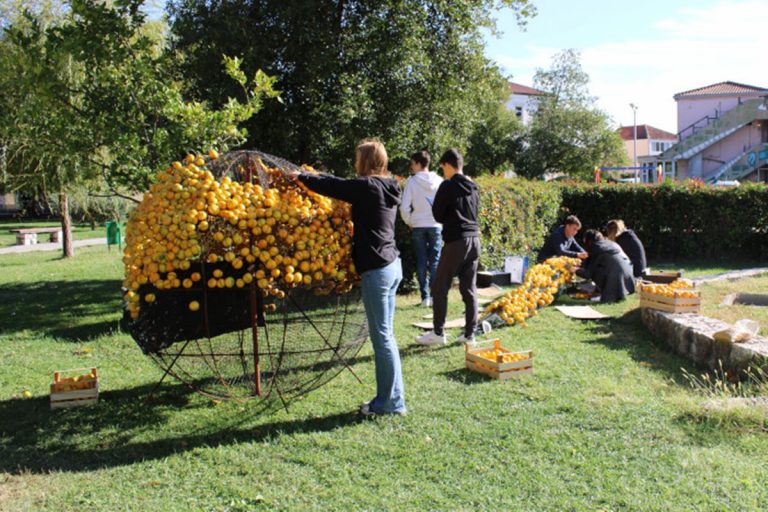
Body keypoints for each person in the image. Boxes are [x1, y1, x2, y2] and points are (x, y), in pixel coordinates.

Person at [293, 139, 406, 416]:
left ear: (365, 161)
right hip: (392, 265)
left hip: (378, 269)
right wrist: (312, 176)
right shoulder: (387, 186)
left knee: (382, 338)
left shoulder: (367, 187)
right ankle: (392, 399)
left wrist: (303, 178)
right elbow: (340, 182)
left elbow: (336, 186)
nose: (355, 163)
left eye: (358, 158)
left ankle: (389, 404)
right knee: (387, 336)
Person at [416, 149, 488, 346]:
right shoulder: (473, 187)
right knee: (469, 289)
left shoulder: (447, 186)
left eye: (442, 167)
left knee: (439, 286)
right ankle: (469, 334)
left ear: (448, 165)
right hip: (474, 240)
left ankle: (438, 333)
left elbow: (438, 215)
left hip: (457, 241)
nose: (442, 171)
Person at [399, 150, 443, 307]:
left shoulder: (412, 182)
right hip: (436, 225)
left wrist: (409, 221)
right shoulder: (439, 180)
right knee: (435, 261)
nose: (411, 167)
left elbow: (404, 208)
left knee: (422, 261)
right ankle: (435, 295)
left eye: (412, 164)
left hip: (418, 225)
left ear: (418, 163)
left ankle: (425, 298)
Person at [577, 229, 636, 303]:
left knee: (596, 271)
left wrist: (574, 269)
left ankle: (608, 293)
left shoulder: (596, 247)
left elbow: (588, 273)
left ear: (589, 241)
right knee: (602, 267)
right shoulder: (610, 243)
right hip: (629, 276)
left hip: (616, 276)